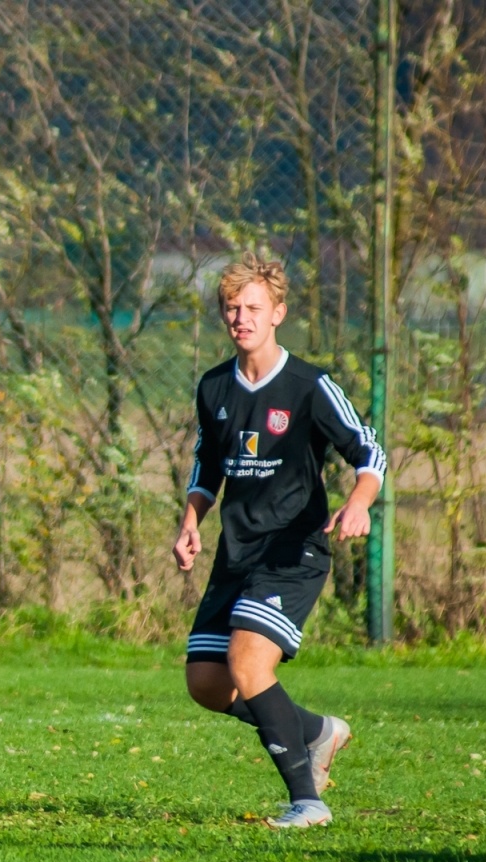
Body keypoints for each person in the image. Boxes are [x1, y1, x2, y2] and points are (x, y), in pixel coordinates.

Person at [174, 253, 386, 829]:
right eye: (231, 308)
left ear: (278, 315)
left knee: (247, 662)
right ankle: (316, 732)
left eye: (252, 308)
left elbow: (369, 452)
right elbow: (206, 466)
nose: (239, 318)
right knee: (207, 683)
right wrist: (192, 519)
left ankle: (308, 802)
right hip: (236, 552)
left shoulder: (308, 386)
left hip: (294, 551)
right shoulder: (214, 386)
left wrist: (358, 503)